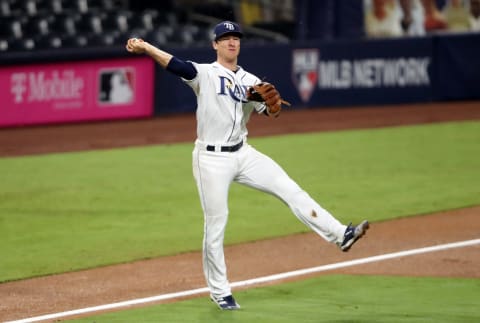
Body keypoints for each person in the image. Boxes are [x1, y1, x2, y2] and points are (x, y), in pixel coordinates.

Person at [125, 21, 369, 311]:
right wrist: (146, 47)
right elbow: (175, 65)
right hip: (211, 159)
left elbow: (269, 109)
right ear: (215, 44)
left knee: (290, 188)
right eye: (225, 38)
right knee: (216, 225)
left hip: (244, 153)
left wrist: (271, 107)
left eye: (235, 38)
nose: (231, 42)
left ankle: (340, 234)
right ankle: (220, 292)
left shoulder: (252, 80)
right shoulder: (204, 73)